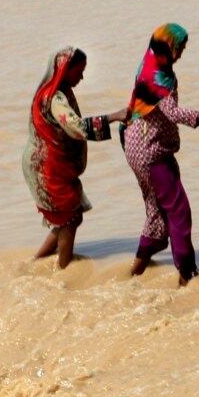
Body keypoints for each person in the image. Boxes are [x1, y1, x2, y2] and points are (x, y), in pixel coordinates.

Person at [122, 23, 199, 285]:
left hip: (142, 147)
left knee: (157, 214)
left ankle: (133, 275)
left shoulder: (151, 64)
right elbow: (173, 113)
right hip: (150, 151)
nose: (182, 52)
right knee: (179, 211)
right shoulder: (157, 78)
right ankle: (188, 276)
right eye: (180, 47)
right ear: (167, 45)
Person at [22, 47, 127, 269]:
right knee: (69, 218)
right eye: (79, 72)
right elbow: (76, 127)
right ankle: (64, 268)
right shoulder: (55, 98)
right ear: (65, 70)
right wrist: (114, 116)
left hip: (50, 165)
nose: (81, 77)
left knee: (70, 216)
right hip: (48, 168)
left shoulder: (57, 91)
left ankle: (35, 261)